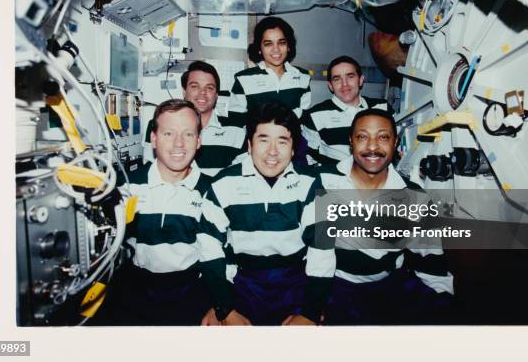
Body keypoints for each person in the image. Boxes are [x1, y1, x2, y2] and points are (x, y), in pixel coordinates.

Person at [200, 101, 335, 325]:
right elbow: (209, 250)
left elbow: (322, 251)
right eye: (263, 140)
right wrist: (224, 307)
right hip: (241, 288)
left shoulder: (313, 183)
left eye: (282, 141)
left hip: (296, 287)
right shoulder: (222, 184)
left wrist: (310, 312)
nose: (272, 151)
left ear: (293, 148)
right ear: (249, 145)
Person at [319, 108, 453, 325]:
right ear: (350, 141)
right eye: (363, 137)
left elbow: (431, 264)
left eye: (383, 137)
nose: (372, 147)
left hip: (387, 287)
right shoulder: (323, 183)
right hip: (331, 286)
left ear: (395, 143)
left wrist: (441, 308)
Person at [94, 99, 222, 325]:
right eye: (169, 134)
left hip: (191, 296)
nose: (179, 144)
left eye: (188, 134)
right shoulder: (128, 186)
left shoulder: (212, 191)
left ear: (199, 140)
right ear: (153, 139)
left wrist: (218, 305)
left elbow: (216, 256)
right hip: (134, 295)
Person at [143, 61, 246, 176]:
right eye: (194, 86)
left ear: (216, 95)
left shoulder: (236, 130)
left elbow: (240, 175)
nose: (202, 92)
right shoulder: (159, 125)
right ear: (184, 91)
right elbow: (151, 170)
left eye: (209, 88)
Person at [301, 55, 392, 166]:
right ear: (330, 86)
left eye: (350, 76)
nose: (345, 84)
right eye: (337, 79)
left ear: (361, 80)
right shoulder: (314, 116)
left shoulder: (382, 107)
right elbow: (307, 159)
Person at [228, 17, 311, 120]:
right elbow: (236, 123)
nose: (276, 49)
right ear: (259, 49)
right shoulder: (243, 79)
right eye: (268, 44)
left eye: (281, 43)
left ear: (289, 46)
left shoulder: (303, 77)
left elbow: (304, 121)